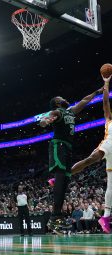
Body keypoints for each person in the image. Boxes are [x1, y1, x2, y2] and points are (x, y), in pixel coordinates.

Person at [40, 88, 103, 231]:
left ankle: (56, 217)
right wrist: (45, 121)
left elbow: (85, 100)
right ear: (57, 103)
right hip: (58, 145)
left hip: (67, 148)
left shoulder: (70, 111)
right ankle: (55, 216)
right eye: (60, 97)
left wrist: (97, 92)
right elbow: (45, 119)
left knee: (65, 181)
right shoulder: (57, 112)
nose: (64, 97)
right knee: (61, 177)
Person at [71, 76, 112, 233]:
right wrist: (106, 83)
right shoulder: (109, 119)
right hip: (109, 143)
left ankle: (106, 217)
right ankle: (65, 174)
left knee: (111, 184)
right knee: (90, 159)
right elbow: (106, 102)